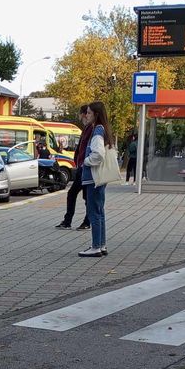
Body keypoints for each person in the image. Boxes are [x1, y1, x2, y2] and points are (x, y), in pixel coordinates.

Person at [79, 101, 114, 257]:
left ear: (96, 114)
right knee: (100, 212)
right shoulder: (103, 129)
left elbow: (98, 154)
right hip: (99, 178)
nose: (86, 115)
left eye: (89, 113)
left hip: (93, 177)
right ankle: (101, 244)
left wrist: (86, 161)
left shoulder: (97, 132)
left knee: (94, 212)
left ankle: (95, 246)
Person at [55, 105, 92, 231]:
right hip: (82, 166)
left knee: (81, 195)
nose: (83, 116)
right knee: (81, 195)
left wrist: (82, 163)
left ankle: (81, 221)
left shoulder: (91, 128)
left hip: (85, 167)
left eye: (84, 113)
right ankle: (72, 221)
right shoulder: (87, 128)